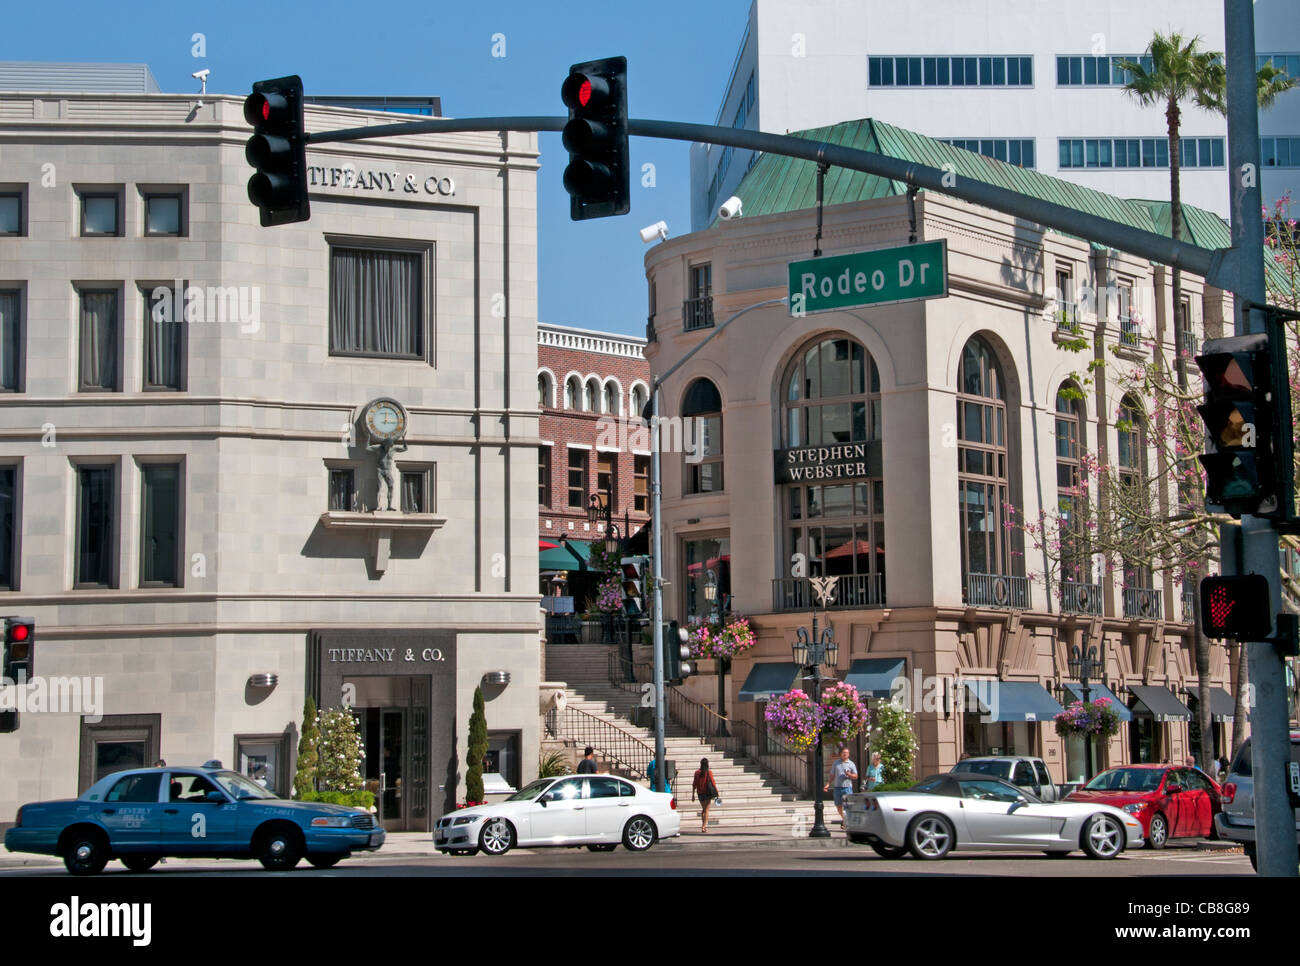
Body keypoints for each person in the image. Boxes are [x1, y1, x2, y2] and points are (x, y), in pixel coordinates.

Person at [824, 746, 858, 826]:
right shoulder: (836, 763)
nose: (845, 754)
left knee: (847, 806)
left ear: (848, 754)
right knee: (838, 806)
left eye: (846, 753)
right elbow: (832, 775)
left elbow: (856, 776)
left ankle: (846, 822)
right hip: (837, 788)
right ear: (840, 754)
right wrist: (828, 784)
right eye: (843, 753)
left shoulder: (851, 764)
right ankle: (845, 819)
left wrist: (849, 774)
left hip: (847, 788)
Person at [691, 757, 719, 833]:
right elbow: (713, 782)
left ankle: (703, 825)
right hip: (707, 793)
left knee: (703, 809)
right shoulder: (709, 772)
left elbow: (694, 784)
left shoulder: (697, 772)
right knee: (706, 810)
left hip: (700, 793)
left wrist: (693, 794)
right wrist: (717, 792)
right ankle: (704, 826)